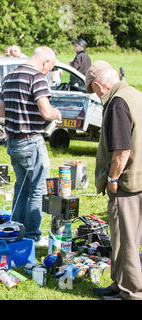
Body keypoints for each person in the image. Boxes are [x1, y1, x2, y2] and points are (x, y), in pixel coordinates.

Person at [85, 60, 142, 300]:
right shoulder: (134, 94)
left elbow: (121, 151)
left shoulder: (117, 103)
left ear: (99, 85)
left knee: (126, 238)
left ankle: (131, 292)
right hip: (139, 178)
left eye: (93, 90)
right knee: (125, 237)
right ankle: (119, 283)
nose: (95, 95)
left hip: (128, 183)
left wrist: (112, 178)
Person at [0, 47, 62, 246]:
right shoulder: (37, 78)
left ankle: (15, 230)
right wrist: (56, 113)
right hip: (31, 140)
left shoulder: (10, 76)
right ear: (44, 62)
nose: (49, 73)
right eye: (50, 68)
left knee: (21, 186)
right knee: (38, 188)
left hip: (13, 140)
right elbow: (46, 111)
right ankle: (33, 235)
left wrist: (19, 114)